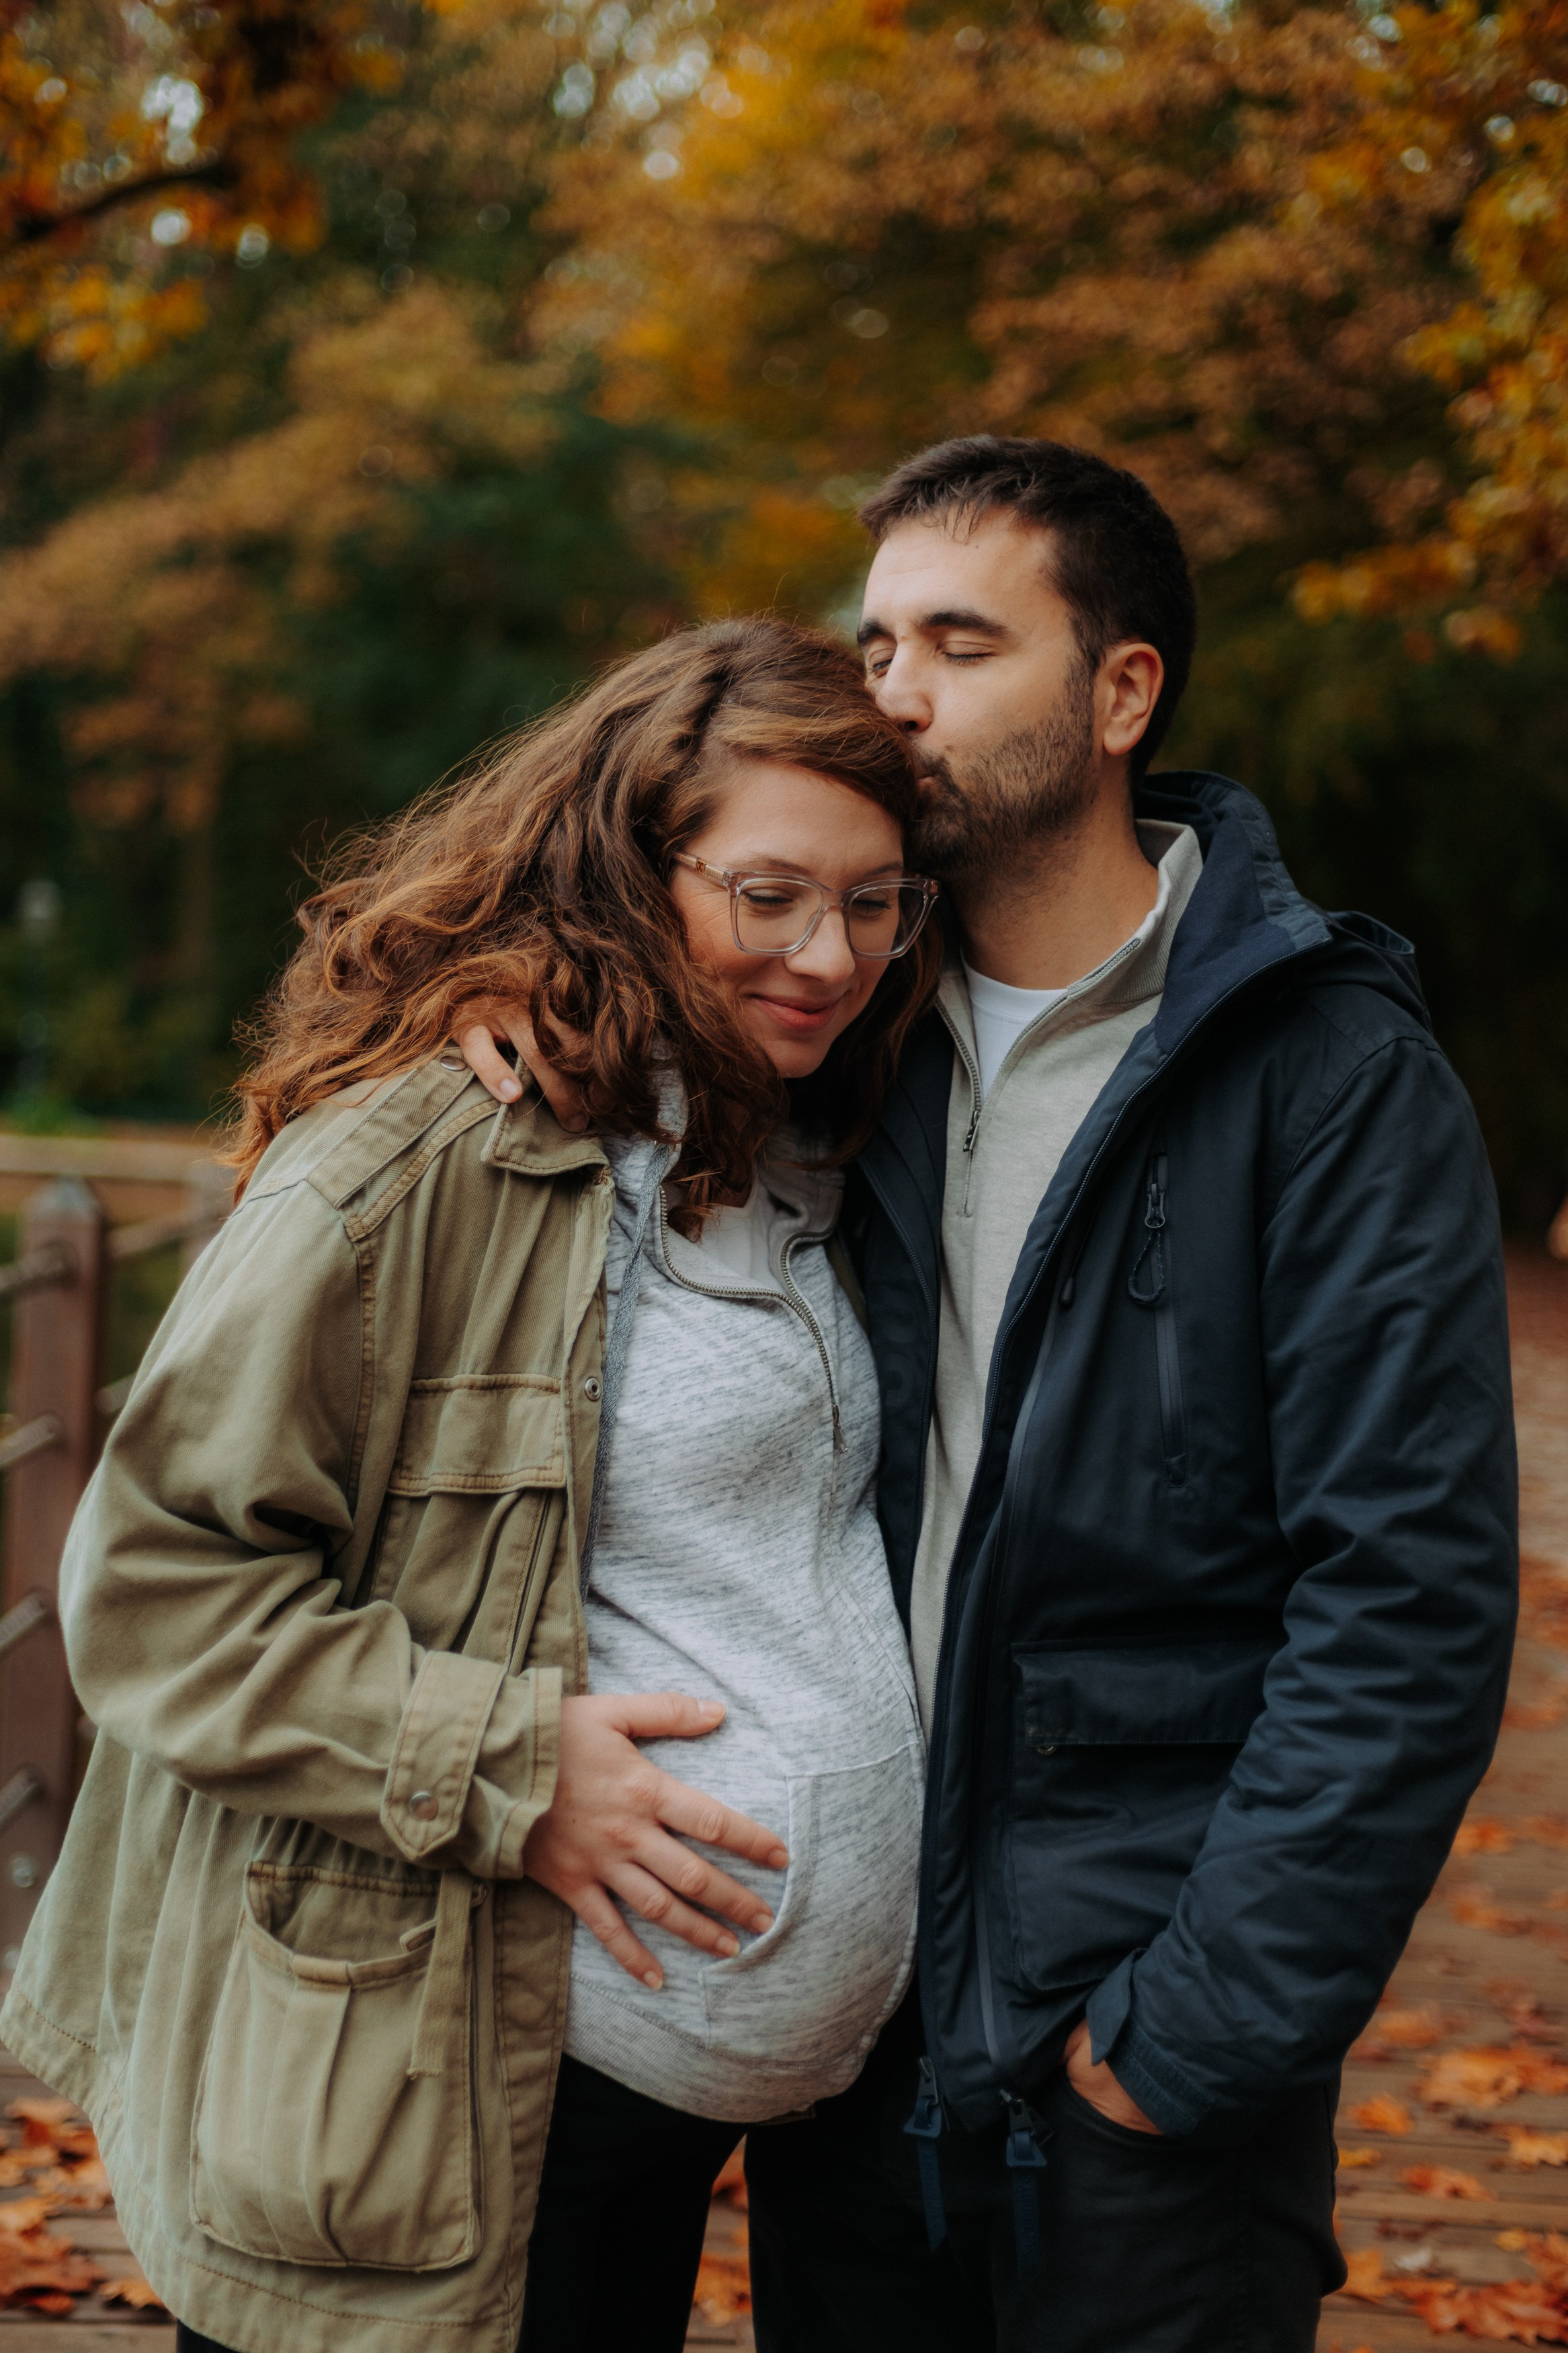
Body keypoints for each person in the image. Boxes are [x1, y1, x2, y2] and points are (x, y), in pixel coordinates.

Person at [458, 438, 1519, 2352]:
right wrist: (520, 999)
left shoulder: (1328, 1075)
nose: (894, 695)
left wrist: (1181, 2041)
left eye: (960, 641)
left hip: (1143, 2059)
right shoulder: (835, 1016)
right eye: (874, 641)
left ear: (1122, 695)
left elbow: (1408, 1608)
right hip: (855, 2047)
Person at [0, 619, 944, 2353]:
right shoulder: (420, 1158)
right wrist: (517, 1768)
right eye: (770, 897)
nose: (832, 955)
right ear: (625, 867)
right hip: (449, 2074)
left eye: (880, 904)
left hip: (672, 2109)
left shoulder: (805, 1134)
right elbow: (150, 1587)